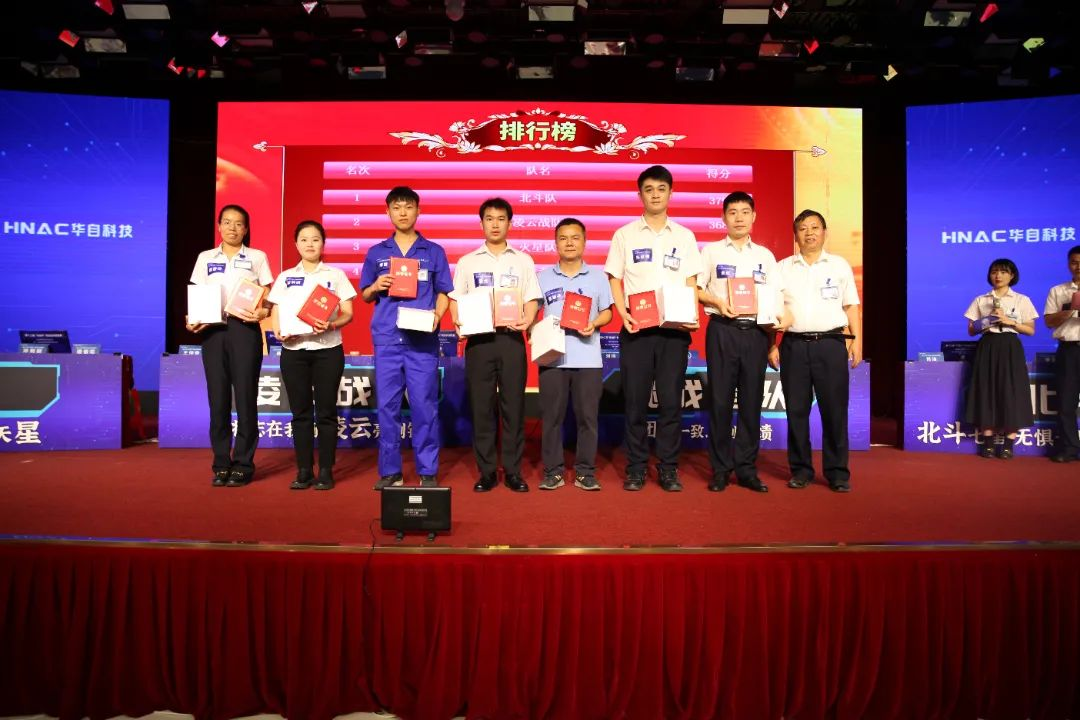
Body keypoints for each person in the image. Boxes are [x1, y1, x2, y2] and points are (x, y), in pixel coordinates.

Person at [604, 165, 703, 492]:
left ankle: (668, 468)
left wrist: (691, 313)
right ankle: (635, 468)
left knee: (671, 403)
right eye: (649, 189)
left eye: (661, 189)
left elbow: (691, 280)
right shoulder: (625, 234)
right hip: (637, 330)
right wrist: (623, 312)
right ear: (640, 195)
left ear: (671, 193)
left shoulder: (685, 236)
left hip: (674, 332)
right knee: (635, 403)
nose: (656, 194)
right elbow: (614, 278)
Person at [360, 187, 453, 490]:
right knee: (387, 407)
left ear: (418, 211)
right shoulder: (377, 252)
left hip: (421, 341)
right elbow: (365, 294)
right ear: (388, 212)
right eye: (397, 207)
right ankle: (390, 471)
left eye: (408, 206)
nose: (403, 212)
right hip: (387, 339)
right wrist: (376, 286)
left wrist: (437, 316)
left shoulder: (434, 251)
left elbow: (444, 292)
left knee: (424, 406)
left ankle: (427, 469)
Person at [450, 198, 541, 492]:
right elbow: (455, 299)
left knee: (513, 406)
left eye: (501, 219)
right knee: (482, 408)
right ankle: (487, 471)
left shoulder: (523, 260)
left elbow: (532, 297)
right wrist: (458, 322)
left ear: (510, 223)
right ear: (481, 224)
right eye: (489, 219)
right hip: (479, 341)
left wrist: (528, 319)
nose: (495, 224)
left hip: (511, 339)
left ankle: (513, 471)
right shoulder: (467, 262)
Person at [770, 210, 861, 492]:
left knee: (834, 411)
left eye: (814, 227)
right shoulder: (782, 268)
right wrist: (772, 343)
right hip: (794, 346)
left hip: (831, 344)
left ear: (824, 232)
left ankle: (837, 473)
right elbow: (773, 309)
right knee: (796, 412)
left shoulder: (839, 265)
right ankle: (801, 470)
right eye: (802, 228)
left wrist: (857, 340)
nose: (809, 233)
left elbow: (851, 306)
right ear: (795, 235)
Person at [696, 191, 780, 493]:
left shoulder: (765, 257)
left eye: (745, 212)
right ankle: (720, 469)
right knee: (719, 402)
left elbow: (774, 300)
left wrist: (772, 341)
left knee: (751, 402)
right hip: (722, 330)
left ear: (754, 216)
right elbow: (696, 288)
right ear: (724, 217)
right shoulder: (711, 252)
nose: (739, 218)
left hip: (756, 334)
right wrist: (718, 301)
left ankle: (746, 469)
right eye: (733, 212)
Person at [186, 204, 273, 487]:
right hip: (212, 331)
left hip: (244, 330)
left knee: (246, 397)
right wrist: (191, 318)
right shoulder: (205, 258)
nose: (232, 228)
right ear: (219, 226)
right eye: (227, 222)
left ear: (246, 229)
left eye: (238, 224)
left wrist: (264, 311)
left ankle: (244, 464)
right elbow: (197, 293)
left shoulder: (257, 257)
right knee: (218, 398)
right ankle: (221, 462)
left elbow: (269, 297)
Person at [268, 220, 356, 490]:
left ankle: (326, 470)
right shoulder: (285, 277)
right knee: (300, 413)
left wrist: (331, 324)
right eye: (304, 239)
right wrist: (278, 330)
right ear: (296, 244)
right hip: (293, 352)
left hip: (327, 350)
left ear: (323, 244)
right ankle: (304, 470)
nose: (310, 244)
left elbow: (348, 313)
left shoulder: (335, 275)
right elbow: (276, 310)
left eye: (315, 239)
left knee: (327, 412)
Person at [536, 218, 615, 491]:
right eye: (563, 238)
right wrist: (534, 330)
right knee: (551, 419)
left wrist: (594, 323)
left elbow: (607, 312)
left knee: (588, 419)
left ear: (584, 241)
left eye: (575, 237)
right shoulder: (542, 277)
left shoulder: (598, 277)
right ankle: (553, 472)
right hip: (552, 359)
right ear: (555, 243)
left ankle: (585, 472)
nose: (569, 243)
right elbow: (531, 311)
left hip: (588, 359)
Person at [963, 258, 1038, 459]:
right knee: (986, 390)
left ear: (1012, 276)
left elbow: (1030, 330)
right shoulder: (981, 300)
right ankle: (988, 444)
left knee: (1011, 391)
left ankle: (1008, 445)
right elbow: (971, 330)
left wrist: (1009, 321)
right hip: (988, 344)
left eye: (1003, 272)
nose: (998, 276)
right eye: (994, 272)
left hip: (1010, 346)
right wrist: (987, 321)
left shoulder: (1021, 300)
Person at [1044, 245, 1080, 462]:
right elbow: (1049, 321)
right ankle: (1069, 448)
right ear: (1069, 265)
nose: (1078, 266)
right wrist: (1069, 311)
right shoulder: (1058, 291)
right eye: (1075, 262)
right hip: (1069, 351)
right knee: (1066, 402)